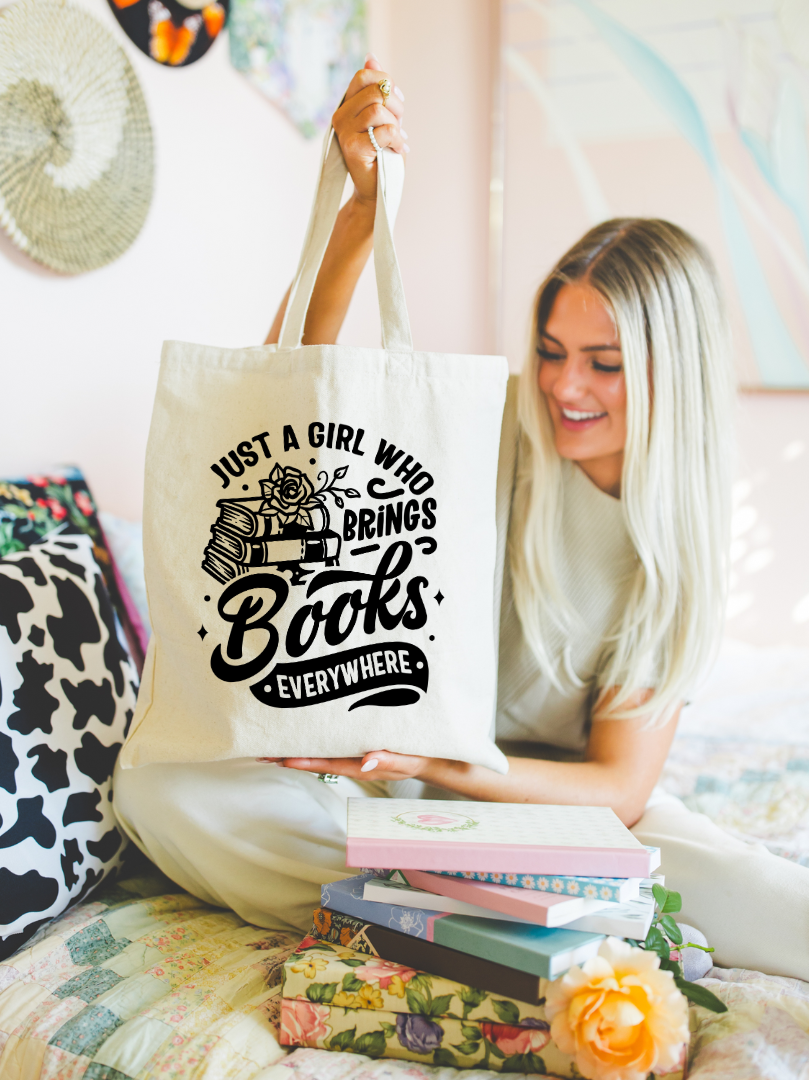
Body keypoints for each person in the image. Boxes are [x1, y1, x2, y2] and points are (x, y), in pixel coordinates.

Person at [114, 58, 809, 981]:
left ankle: (447, 901)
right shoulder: (481, 428)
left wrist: (436, 771)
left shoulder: (674, 541)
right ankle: (510, 911)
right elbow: (298, 387)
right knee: (162, 789)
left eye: (605, 363)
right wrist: (362, 212)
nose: (566, 387)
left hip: (542, 800)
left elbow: (619, 784)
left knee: (742, 896)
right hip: (396, 776)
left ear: (668, 373)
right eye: (555, 351)